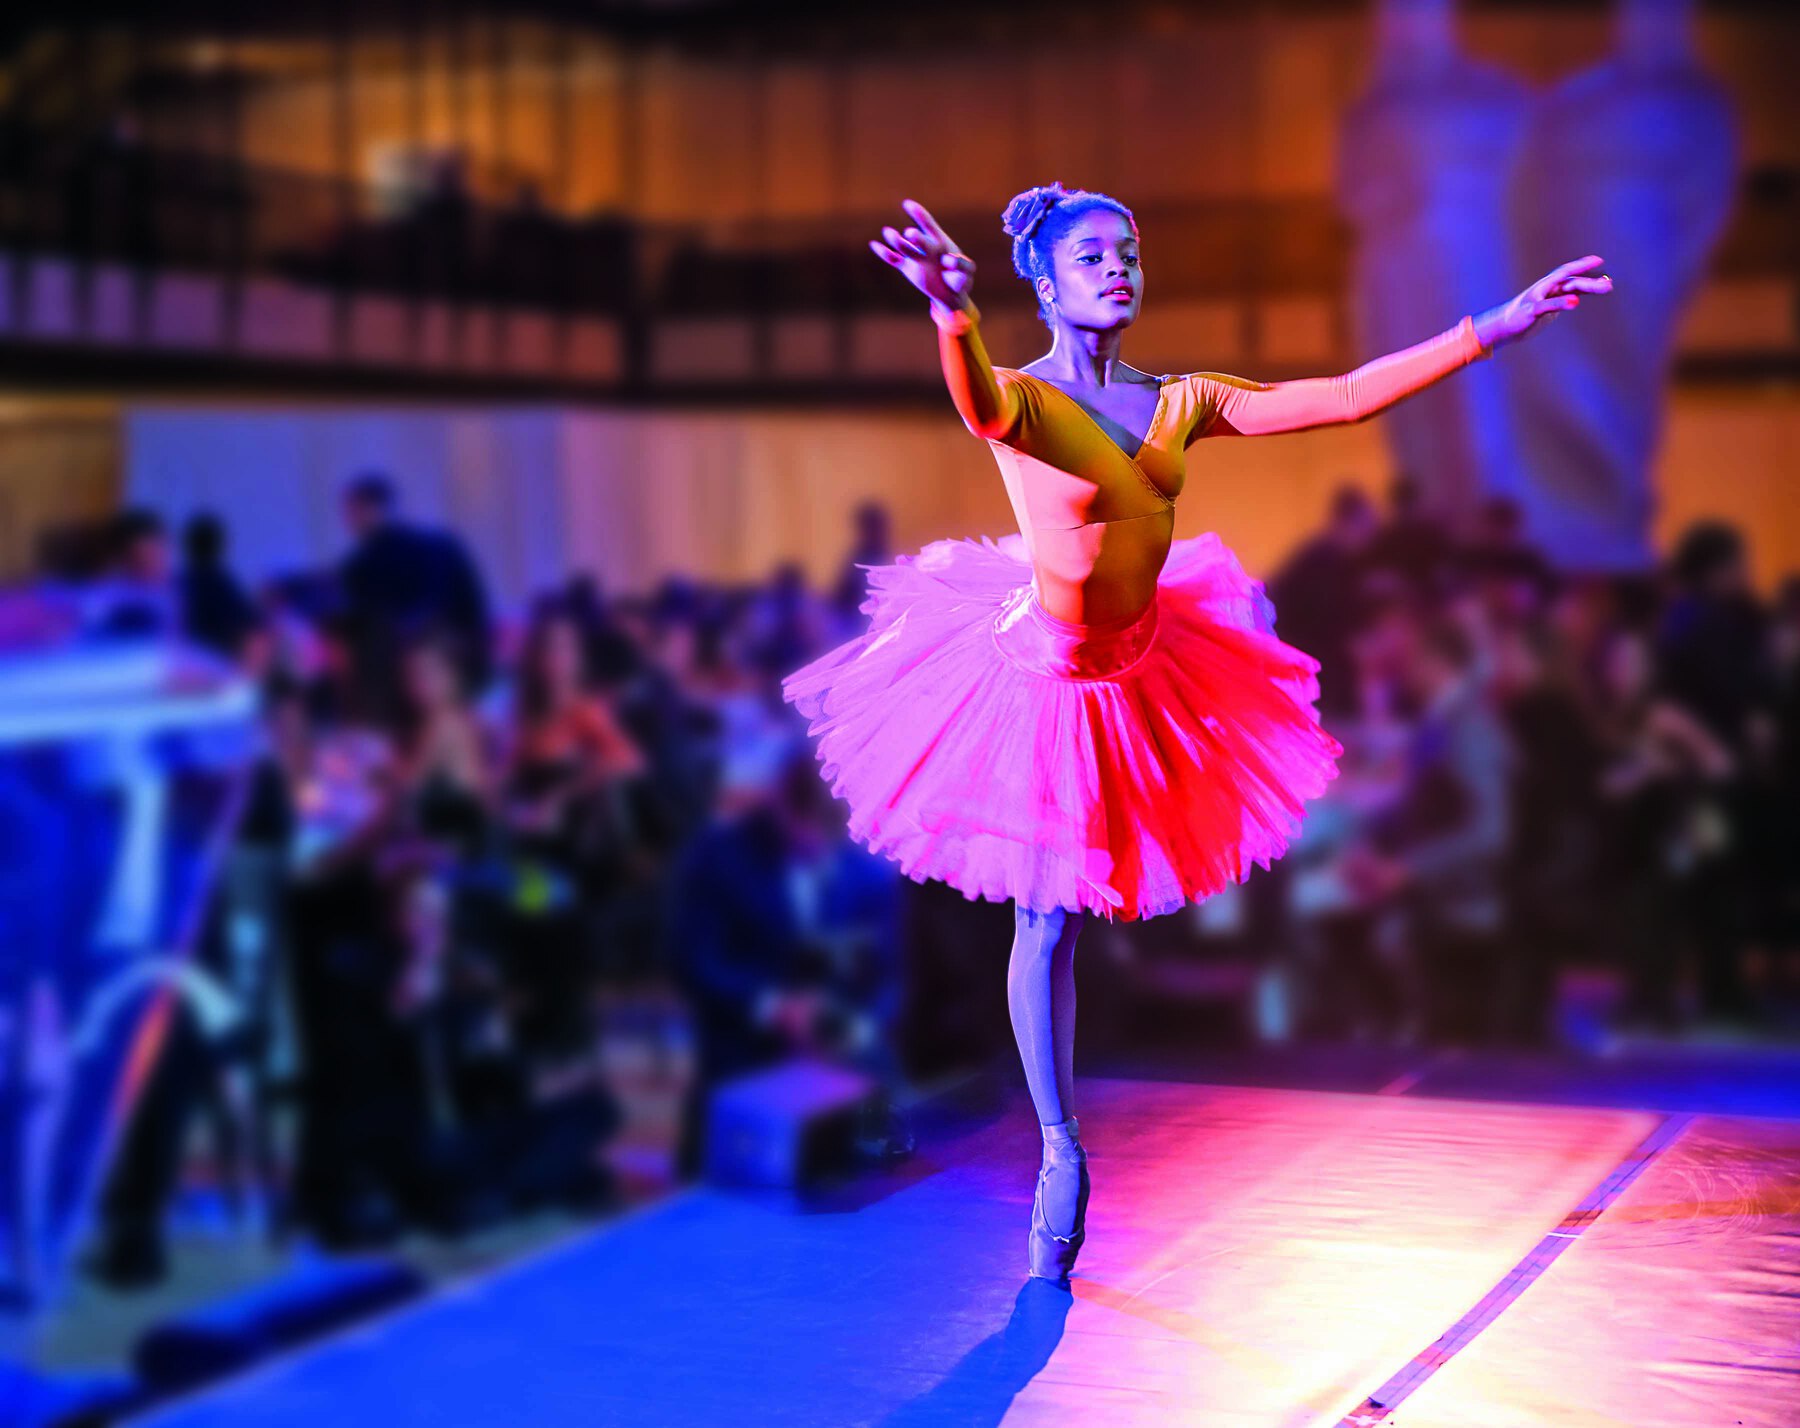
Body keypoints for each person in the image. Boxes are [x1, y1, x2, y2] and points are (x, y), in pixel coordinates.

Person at [783, 186, 1611, 1282]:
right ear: (1043, 279)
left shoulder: (1176, 401)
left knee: (1084, 907)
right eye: (1092, 254)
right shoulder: (1026, 399)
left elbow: (1348, 396)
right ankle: (1059, 1147)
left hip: (1146, 660)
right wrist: (952, 316)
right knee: (1044, 915)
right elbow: (980, 404)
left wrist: (1492, 328)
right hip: (1041, 676)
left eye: (1130, 250)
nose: (1119, 267)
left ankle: (1096, 1115)